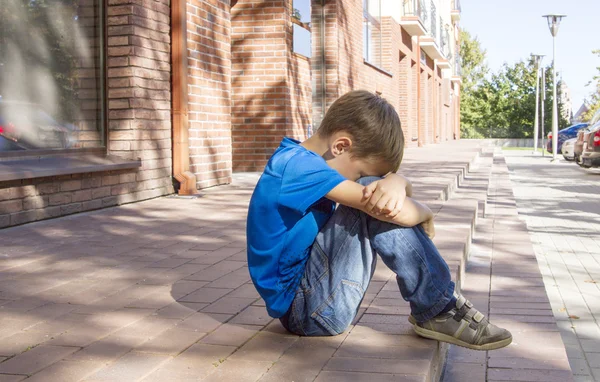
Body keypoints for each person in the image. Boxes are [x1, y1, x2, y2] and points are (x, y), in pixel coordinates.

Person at [246, 90, 512, 351]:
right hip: (308, 311)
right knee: (374, 194)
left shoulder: (296, 159)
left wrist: (397, 180)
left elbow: (388, 199)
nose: (356, 178)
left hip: (313, 299)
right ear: (341, 146)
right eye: (359, 170)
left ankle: (437, 305)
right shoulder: (297, 168)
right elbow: (394, 210)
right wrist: (424, 209)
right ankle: (438, 308)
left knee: (375, 191)